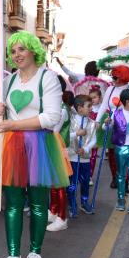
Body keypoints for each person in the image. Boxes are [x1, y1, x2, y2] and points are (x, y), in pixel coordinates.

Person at [0, 31, 71, 258]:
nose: (17, 55)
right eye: (13, 51)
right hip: (11, 145)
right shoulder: (8, 82)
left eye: (21, 49)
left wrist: (11, 125)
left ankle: (35, 253)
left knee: (38, 203)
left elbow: (52, 117)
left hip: (39, 146)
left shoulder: (47, 78)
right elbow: (4, 118)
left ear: (33, 50)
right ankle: (13, 255)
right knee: (13, 204)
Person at [96, 65, 129, 188]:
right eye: (112, 77)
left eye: (115, 77)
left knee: (123, 154)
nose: (113, 80)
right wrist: (97, 120)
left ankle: (125, 178)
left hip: (125, 126)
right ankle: (115, 178)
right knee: (112, 153)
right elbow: (103, 106)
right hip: (111, 124)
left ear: (123, 78)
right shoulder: (110, 89)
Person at [47, 79, 73, 232]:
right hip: (50, 144)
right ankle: (54, 210)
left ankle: (62, 217)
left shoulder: (61, 109)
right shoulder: (55, 106)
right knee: (52, 182)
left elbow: (52, 128)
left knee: (59, 183)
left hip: (55, 145)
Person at [67, 95, 97, 217]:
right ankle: (72, 204)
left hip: (84, 159)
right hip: (72, 157)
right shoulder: (70, 121)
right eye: (88, 106)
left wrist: (85, 148)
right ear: (79, 108)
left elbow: (94, 140)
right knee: (72, 183)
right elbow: (65, 137)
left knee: (85, 182)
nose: (91, 108)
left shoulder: (92, 123)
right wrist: (76, 134)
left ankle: (84, 202)